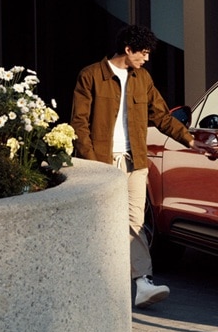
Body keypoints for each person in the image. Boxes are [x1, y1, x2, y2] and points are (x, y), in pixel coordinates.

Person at [70, 25, 197, 309]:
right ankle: (95, 282)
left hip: (136, 161)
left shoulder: (143, 79)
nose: (146, 58)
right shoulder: (91, 76)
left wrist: (187, 139)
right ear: (128, 49)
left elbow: (161, 116)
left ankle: (142, 282)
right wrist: (92, 164)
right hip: (103, 162)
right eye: (143, 52)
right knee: (100, 224)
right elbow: (79, 123)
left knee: (135, 223)